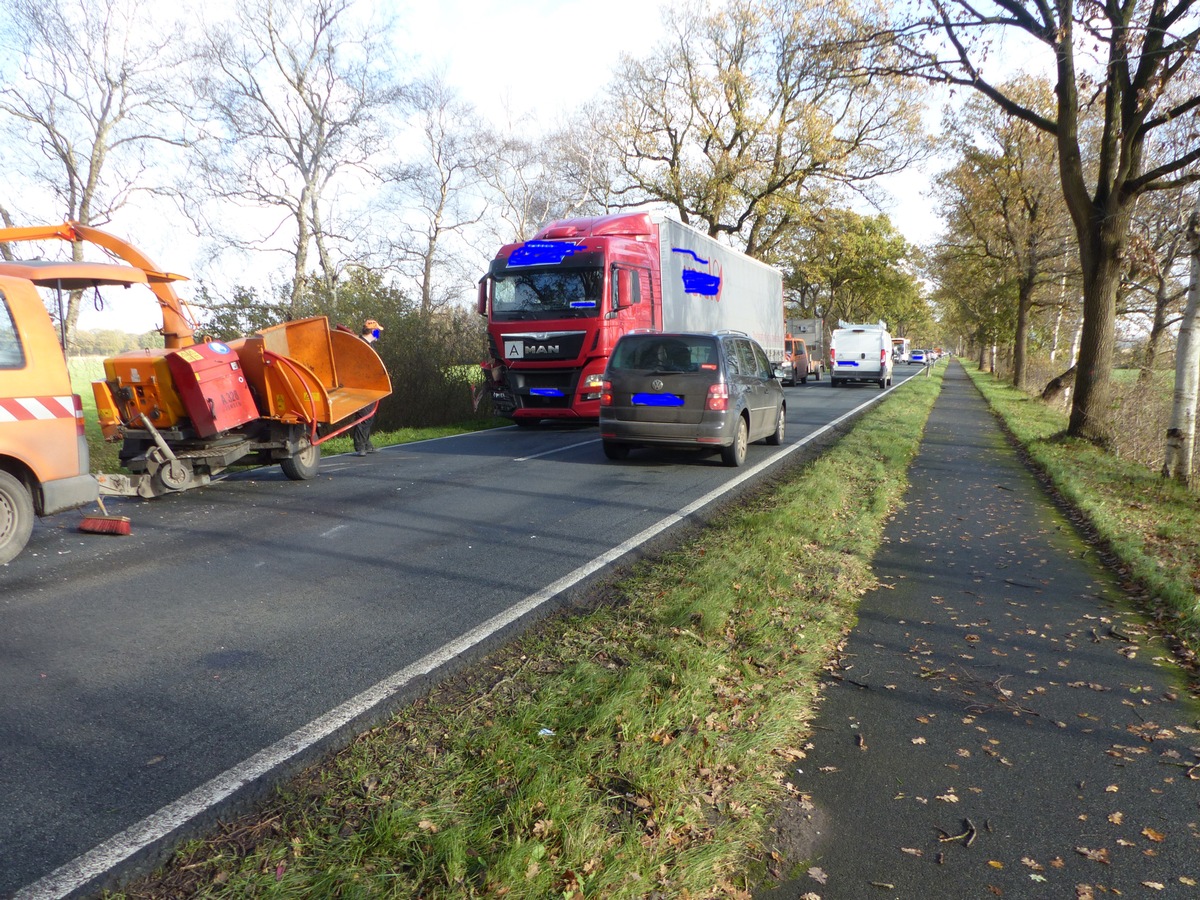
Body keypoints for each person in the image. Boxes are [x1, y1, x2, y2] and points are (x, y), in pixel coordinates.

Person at [353, 318, 383, 456]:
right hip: (361, 387)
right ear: (373, 331)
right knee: (364, 415)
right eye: (378, 332)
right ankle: (360, 446)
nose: (379, 334)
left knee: (369, 415)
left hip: (369, 386)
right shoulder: (361, 345)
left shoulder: (369, 345)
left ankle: (366, 443)